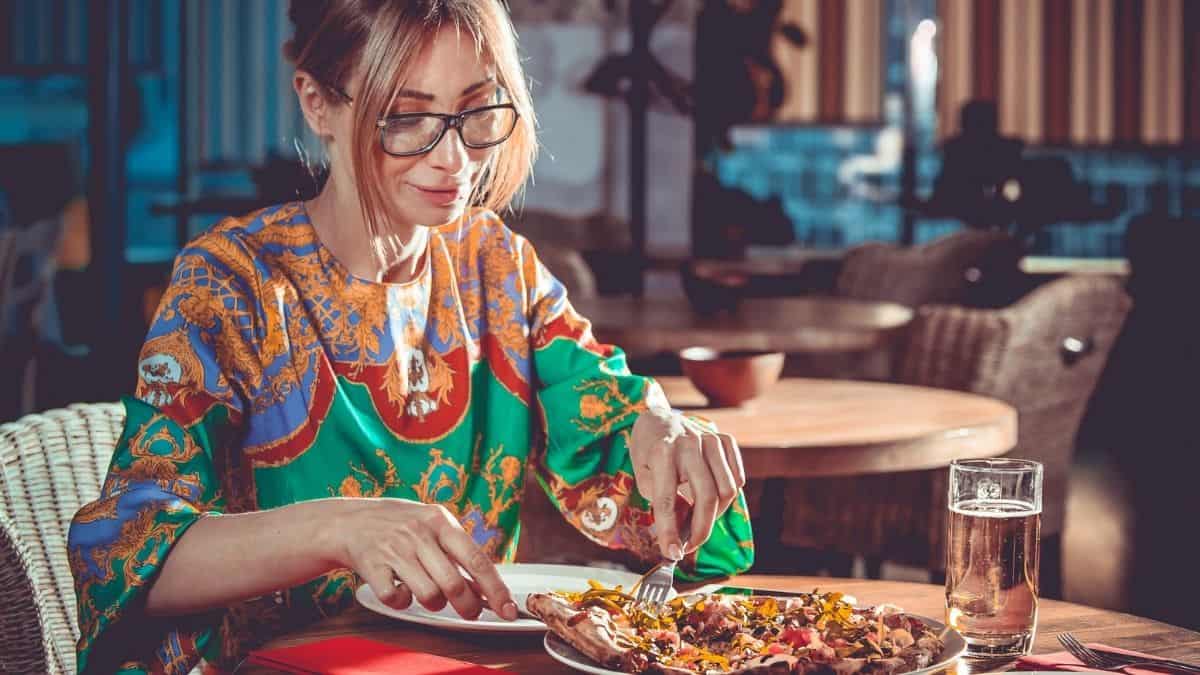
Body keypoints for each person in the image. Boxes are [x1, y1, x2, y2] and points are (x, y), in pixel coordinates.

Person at [67, 1, 754, 672]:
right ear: (317, 102)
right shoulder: (232, 285)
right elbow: (127, 558)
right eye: (406, 116)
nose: (453, 159)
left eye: (477, 111)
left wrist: (663, 431)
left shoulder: (499, 269)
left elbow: (626, 446)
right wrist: (339, 527)